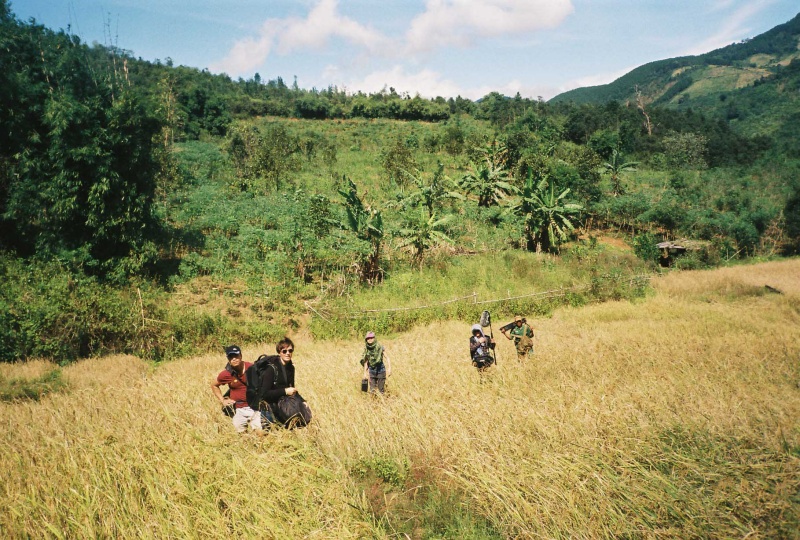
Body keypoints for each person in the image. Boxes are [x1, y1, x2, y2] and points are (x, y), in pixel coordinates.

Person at [246, 337, 311, 427]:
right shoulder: (271, 369)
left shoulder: (291, 368)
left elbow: (291, 388)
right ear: (279, 352)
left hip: (282, 408)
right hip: (268, 410)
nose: (287, 353)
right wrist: (284, 391)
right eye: (284, 351)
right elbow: (264, 394)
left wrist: (302, 401)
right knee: (268, 438)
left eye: (290, 350)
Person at [211, 345, 261, 433]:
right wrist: (222, 400)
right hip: (238, 409)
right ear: (228, 359)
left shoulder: (252, 368)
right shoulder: (226, 374)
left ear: (241, 356)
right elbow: (214, 385)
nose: (234, 359)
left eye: (236, 355)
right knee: (242, 435)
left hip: (255, 407)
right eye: (231, 357)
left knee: (260, 433)